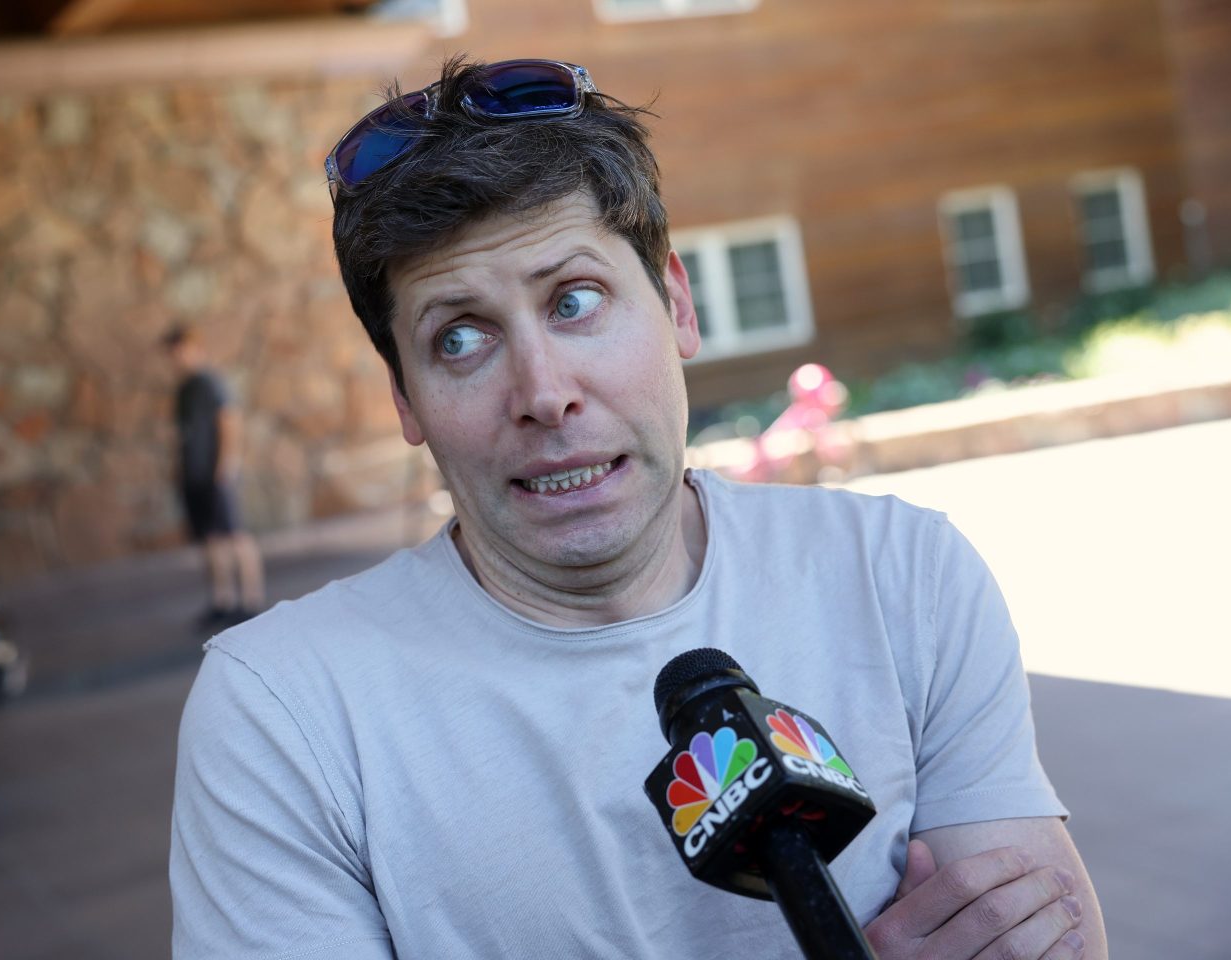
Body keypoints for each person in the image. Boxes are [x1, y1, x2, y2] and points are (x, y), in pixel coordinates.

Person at [170, 57, 1106, 959]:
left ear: (675, 304)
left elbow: (1049, 938)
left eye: (574, 300)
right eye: (459, 337)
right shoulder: (283, 714)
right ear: (406, 400)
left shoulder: (903, 576)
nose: (544, 392)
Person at [163, 323, 265, 629]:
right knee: (210, 539)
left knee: (234, 535)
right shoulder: (184, 388)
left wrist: (226, 465)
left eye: (179, 351)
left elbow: (229, 420)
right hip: (193, 476)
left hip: (216, 474)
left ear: (195, 348)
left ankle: (251, 601)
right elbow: (181, 434)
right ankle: (223, 601)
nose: (176, 359)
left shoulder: (210, 382)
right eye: (172, 354)